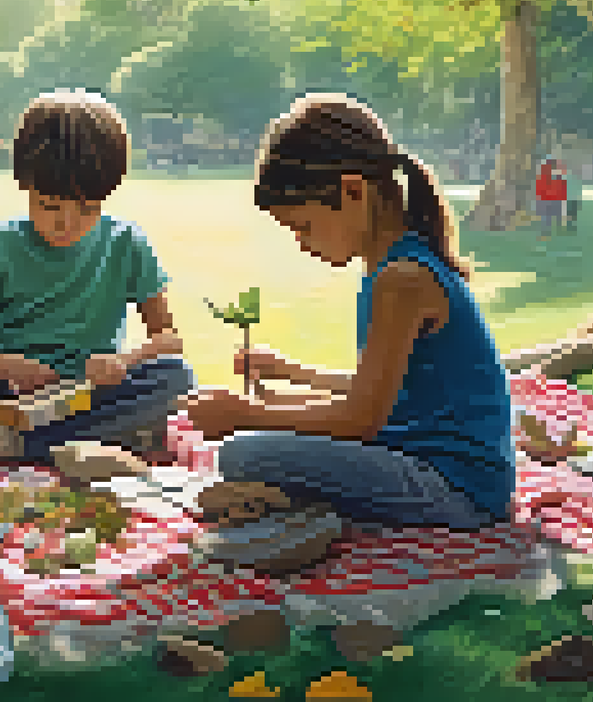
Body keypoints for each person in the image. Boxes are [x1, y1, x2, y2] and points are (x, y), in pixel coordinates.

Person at [185, 93, 516, 572]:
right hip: (434, 464)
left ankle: (295, 508)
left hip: (457, 491)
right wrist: (292, 375)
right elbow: (386, 391)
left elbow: (361, 418)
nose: (301, 244)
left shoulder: (401, 280)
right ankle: (292, 501)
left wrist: (246, 414)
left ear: (353, 192)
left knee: (243, 452)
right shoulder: (394, 268)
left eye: (304, 226)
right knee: (254, 447)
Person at [0, 89, 195, 463]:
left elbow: (169, 339)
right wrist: (10, 367)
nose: (67, 224)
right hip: (8, 393)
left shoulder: (127, 243)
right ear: (23, 183)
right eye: (49, 206)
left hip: (89, 391)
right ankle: (102, 434)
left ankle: (19, 443)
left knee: (175, 376)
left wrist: (126, 359)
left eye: (87, 209)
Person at [534, 156, 565, 239]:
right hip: (554, 198)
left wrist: (538, 196)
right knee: (555, 216)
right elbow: (562, 186)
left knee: (547, 217)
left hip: (547, 198)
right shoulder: (557, 173)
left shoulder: (544, 171)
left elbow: (540, 184)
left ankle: (546, 233)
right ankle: (557, 231)